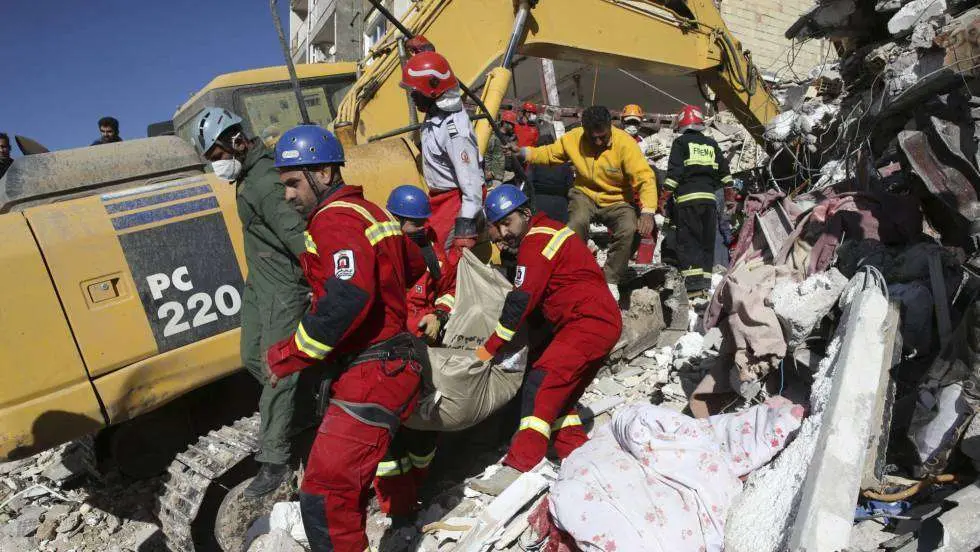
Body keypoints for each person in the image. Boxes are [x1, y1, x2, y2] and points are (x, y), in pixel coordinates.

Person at [266, 125, 427, 552]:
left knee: (324, 493)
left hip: (376, 368)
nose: (288, 196)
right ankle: (405, 516)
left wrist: (289, 354)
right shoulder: (372, 212)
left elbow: (348, 295)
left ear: (322, 172)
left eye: (293, 183)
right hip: (395, 361)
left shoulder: (332, 219)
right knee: (363, 473)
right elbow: (413, 266)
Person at [469, 185, 622, 496]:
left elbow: (521, 299)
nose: (504, 233)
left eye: (507, 223)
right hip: (596, 323)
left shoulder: (537, 240)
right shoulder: (550, 232)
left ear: (525, 214)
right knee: (560, 399)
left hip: (586, 324)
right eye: (498, 230)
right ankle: (579, 456)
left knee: (540, 385)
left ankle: (519, 466)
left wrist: (489, 349)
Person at [192, 108, 311, 497]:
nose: (217, 167)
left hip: (281, 287)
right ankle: (303, 407)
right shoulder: (247, 177)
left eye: (216, 157)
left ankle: (275, 460)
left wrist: (321, 280)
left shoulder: (263, 181)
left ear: (237, 142)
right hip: (259, 284)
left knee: (278, 367)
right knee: (251, 357)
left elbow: (297, 236)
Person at [369, 185, 456, 532]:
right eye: (412, 225)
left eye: (422, 223)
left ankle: (421, 489)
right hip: (383, 358)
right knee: (387, 443)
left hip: (421, 356)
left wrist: (439, 313)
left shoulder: (431, 250)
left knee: (422, 438)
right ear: (394, 219)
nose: (418, 230)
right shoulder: (376, 251)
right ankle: (398, 510)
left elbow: (450, 289)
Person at [514, 105, 657, 300]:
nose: (598, 142)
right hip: (585, 194)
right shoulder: (574, 138)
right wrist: (523, 152)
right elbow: (550, 153)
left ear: (610, 127)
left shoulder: (625, 144)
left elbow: (645, 178)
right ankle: (576, 272)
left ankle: (610, 279)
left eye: (603, 137)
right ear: (584, 130)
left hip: (617, 199)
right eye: (593, 137)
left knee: (629, 228)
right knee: (575, 224)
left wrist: (648, 211)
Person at [401, 51, 485, 256]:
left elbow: (471, 181)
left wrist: (465, 223)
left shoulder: (454, 131)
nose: (412, 96)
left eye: (415, 91)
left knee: (445, 259)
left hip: (457, 201)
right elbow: (436, 77)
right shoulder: (434, 114)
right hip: (441, 200)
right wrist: (426, 53)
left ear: (432, 91)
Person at [662, 105, 733, 298]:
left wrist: (664, 197)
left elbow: (674, 175)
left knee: (689, 241)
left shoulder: (681, 143)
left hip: (687, 201)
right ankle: (705, 284)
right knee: (706, 242)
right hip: (709, 202)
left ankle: (692, 288)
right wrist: (729, 196)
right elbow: (725, 174)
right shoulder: (711, 144)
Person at [527, 133, 573, 223]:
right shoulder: (563, 162)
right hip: (560, 204)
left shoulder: (535, 162)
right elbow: (570, 186)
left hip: (539, 203)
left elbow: (528, 182)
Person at [484, 111, 519, 188]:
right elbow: (488, 154)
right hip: (496, 174)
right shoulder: (494, 136)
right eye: (511, 124)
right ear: (505, 123)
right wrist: (488, 170)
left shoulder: (512, 137)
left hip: (509, 175)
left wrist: (512, 148)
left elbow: (517, 150)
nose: (513, 126)